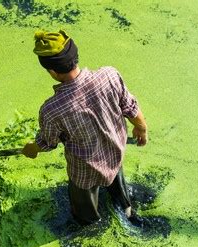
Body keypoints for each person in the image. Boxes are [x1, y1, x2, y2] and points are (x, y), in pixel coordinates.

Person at [22, 30, 148, 226]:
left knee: (84, 210)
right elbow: (130, 107)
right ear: (75, 56)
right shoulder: (110, 75)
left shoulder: (52, 109)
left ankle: (90, 223)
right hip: (115, 154)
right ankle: (126, 207)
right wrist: (142, 128)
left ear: (52, 72)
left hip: (85, 172)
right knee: (117, 183)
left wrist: (33, 148)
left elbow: (49, 142)